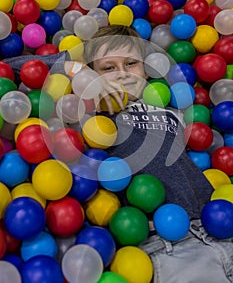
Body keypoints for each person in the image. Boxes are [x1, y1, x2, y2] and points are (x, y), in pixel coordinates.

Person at [3, 25, 233, 282]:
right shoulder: (93, 113)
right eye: (108, 68)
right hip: (170, 242)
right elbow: (13, 66)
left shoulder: (170, 109)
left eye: (131, 63)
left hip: (220, 220)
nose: (122, 74)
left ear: (147, 68)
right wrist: (78, 70)